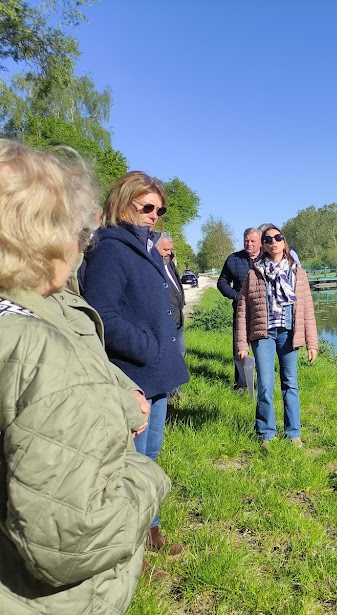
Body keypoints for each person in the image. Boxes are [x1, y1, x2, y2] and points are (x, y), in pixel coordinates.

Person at [0, 139, 170, 613]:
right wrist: (147, 476)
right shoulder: (40, 353)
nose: (82, 243)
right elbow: (69, 539)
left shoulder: (31, 316)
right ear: (39, 234)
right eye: (75, 229)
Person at [81, 170, 189, 553]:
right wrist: (148, 347)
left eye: (159, 210)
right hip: (132, 375)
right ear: (123, 203)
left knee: (149, 457)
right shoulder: (109, 249)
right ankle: (127, 546)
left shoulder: (146, 248)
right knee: (128, 463)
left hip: (156, 374)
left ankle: (150, 529)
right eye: (147, 207)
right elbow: (101, 315)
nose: (154, 215)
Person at [235, 225, 318, 447]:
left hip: (289, 333)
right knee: (264, 384)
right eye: (268, 239)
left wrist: (312, 343)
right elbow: (243, 310)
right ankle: (266, 434)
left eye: (277, 237)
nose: (273, 242)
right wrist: (241, 344)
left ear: (284, 242)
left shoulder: (297, 272)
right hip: (263, 334)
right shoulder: (254, 273)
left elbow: (307, 308)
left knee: (290, 383)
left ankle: (293, 434)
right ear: (263, 245)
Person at [218, 227, 261, 391]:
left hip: (262, 313)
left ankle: (263, 384)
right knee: (239, 349)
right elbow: (222, 282)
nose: (249, 244)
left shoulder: (267, 258)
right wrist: (235, 296)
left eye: (253, 241)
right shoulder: (234, 259)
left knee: (262, 350)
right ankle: (242, 386)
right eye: (246, 241)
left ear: (260, 242)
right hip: (241, 311)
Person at [155, 231, 186, 357]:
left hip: (178, 319)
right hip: (166, 323)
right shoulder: (153, 266)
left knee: (181, 355)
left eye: (170, 249)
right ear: (155, 248)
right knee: (169, 357)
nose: (169, 252)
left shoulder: (169, 262)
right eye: (165, 249)